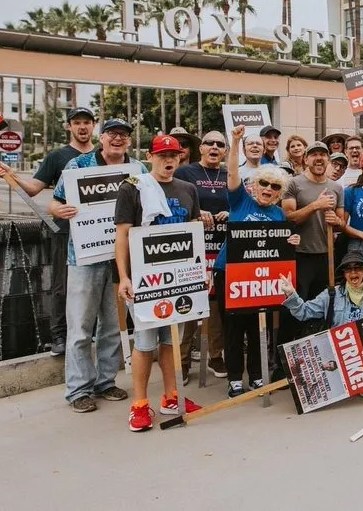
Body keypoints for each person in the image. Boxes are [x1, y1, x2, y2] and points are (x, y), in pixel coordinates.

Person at [48, 118, 143, 413]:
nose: (118, 139)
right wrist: (59, 210)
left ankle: (105, 381)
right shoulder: (78, 166)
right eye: (113, 134)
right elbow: (54, 202)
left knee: (113, 325)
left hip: (122, 260)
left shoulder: (137, 169)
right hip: (84, 258)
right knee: (80, 326)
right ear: (102, 138)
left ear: (129, 141)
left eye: (124, 135)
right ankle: (78, 389)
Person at [114, 135, 207, 431]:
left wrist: (200, 271)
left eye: (175, 155)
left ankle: (171, 396)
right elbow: (123, 235)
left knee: (170, 341)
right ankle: (140, 404)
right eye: (163, 154)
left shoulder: (189, 189)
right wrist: (124, 276)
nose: (169, 160)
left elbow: (193, 234)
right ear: (150, 156)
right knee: (143, 343)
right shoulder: (133, 187)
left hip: (178, 277)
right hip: (145, 278)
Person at [0, 105, 96, 357]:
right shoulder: (57, 157)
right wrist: (12, 176)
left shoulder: (104, 155)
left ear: (93, 126)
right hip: (64, 230)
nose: (82, 127)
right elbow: (34, 188)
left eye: (87, 122)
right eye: (77, 122)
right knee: (62, 284)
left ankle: (93, 333)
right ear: (69, 127)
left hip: (99, 234)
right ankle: (59, 335)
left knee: (97, 287)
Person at [217, 126, 301, 398]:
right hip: (228, 272)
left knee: (257, 327)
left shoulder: (278, 215)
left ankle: (255, 375)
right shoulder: (240, 200)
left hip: (260, 279)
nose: (268, 189)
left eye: (275, 187)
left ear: (279, 193)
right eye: (263, 184)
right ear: (254, 185)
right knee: (232, 328)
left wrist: (291, 243)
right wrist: (236, 140)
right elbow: (231, 174)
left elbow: (280, 248)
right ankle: (233, 378)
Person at [279, 250, 363, 374]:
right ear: (344, 274)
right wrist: (291, 294)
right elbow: (304, 312)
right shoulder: (331, 294)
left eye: (357, 268)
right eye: (348, 269)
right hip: (338, 351)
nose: (353, 272)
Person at [174, 129, 230, 381]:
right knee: (188, 305)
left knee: (218, 307)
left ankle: (215, 356)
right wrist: (197, 213)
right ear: (201, 148)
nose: (215, 147)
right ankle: (183, 361)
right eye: (209, 143)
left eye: (220, 144)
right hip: (192, 251)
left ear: (225, 150)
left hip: (221, 249)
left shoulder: (230, 175)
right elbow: (173, 205)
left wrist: (230, 213)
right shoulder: (185, 173)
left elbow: (239, 203)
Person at [280, 141, 344, 344]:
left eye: (323, 155)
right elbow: (289, 217)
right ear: (306, 159)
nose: (319, 158)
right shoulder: (294, 184)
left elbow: (341, 223)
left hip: (326, 257)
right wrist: (316, 205)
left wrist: (337, 221)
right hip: (299, 255)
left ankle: (314, 353)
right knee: (292, 309)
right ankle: (283, 360)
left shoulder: (336, 187)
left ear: (328, 160)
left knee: (320, 310)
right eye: (314, 154)